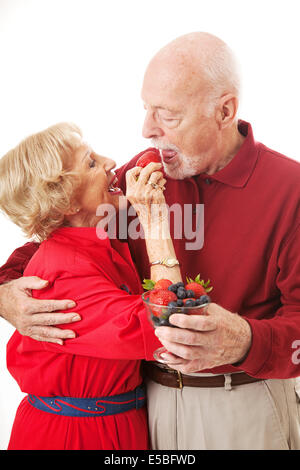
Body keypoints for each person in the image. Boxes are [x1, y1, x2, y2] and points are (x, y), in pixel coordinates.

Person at [1, 32, 300, 450]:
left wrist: (247, 339)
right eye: (146, 109)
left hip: (242, 404)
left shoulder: (291, 190)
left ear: (225, 111)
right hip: (147, 408)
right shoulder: (141, 175)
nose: (146, 130)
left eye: (168, 115)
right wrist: (4, 294)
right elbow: (55, 244)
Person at [0, 122, 183, 450]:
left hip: (116, 424)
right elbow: (168, 325)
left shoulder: (96, 241)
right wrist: (155, 222)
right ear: (66, 202)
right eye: (91, 162)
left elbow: (152, 154)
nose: (111, 161)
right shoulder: (65, 273)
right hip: (74, 437)